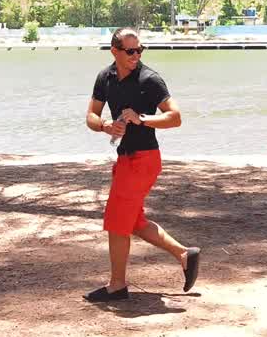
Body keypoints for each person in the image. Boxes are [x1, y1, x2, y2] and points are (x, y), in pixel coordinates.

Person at [83, 27, 200, 302]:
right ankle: (185, 254)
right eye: (130, 51)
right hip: (126, 157)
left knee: (116, 221)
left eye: (139, 50)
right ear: (115, 51)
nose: (136, 55)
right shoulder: (105, 77)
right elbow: (90, 115)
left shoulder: (149, 79)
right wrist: (105, 126)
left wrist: (142, 119)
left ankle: (117, 285)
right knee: (133, 221)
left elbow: (176, 117)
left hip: (144, 158)